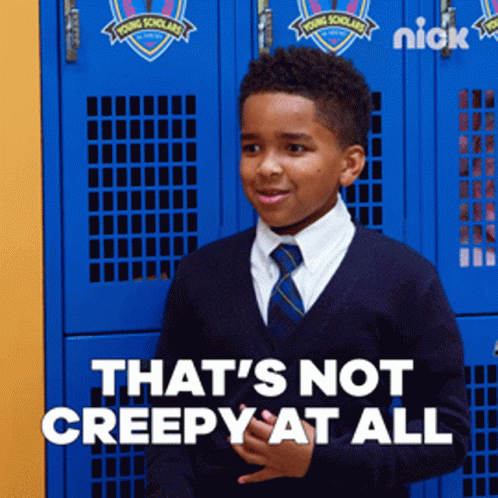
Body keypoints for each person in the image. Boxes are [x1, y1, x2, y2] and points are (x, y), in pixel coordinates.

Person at [146, 46, 470, 498]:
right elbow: (169, 420)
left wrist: (319, 458)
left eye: (294, 148)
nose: (266, 167)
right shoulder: (201, 275)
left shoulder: (405, 279)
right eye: (251, 147)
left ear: (349, 165)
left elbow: (446, 435)